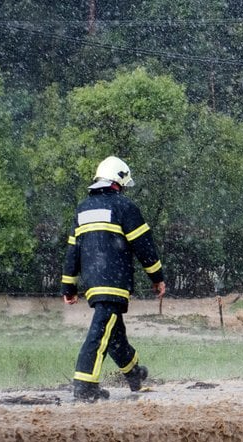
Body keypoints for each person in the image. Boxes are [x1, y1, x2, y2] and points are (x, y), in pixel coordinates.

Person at [62, 156, 165, 402]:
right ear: (118, 181)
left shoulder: (83, 208)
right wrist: (157, 277)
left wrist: (69, 286)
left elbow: (72, 250)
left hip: (93, 283)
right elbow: (144, 246)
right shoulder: (124, 207)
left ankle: (134, 374)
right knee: (99, 333)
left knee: (114, 332)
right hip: (115, 281)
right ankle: (85, 385)